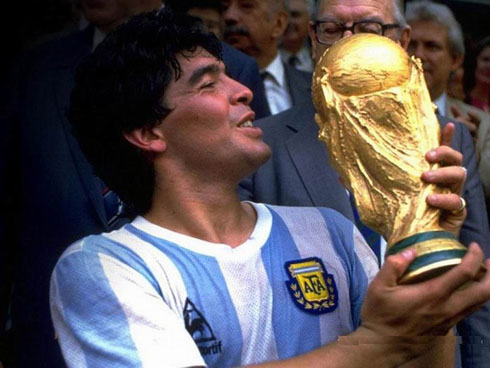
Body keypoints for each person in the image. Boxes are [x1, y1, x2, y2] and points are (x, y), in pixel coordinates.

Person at [50, 8, 490, 367]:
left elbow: (411, 360)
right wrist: (372, 344)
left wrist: (430, 245)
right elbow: (383, 347)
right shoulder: (105, 268)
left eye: (228, 75)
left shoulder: (329, 231)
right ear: (148, 132)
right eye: (208, 83)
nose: (242, 90)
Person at [238, 0, 490, 366]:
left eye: (368, 28)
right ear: (312, 36)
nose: (348, 41)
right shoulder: (262, 144)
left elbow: (474, 272)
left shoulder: (441, 134)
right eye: (332, 29)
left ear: (401, 41)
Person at [222, 0, 311, 115]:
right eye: (224, 8)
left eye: (246, 6)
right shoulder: (210, 92)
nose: (229, 16)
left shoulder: (315, 88)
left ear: (279, 24)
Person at [279, 0, 314, 72]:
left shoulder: (319, 57)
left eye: (294, 15)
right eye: (283, 16)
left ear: (309, 20)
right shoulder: (264, 60)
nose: (288, 22)